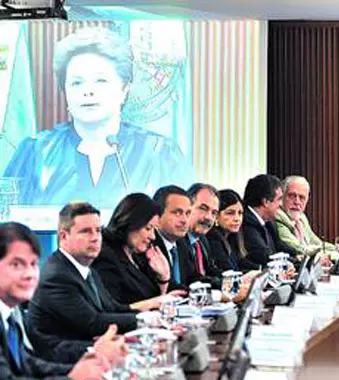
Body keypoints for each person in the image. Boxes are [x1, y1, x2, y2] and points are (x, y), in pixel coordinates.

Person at [2, 27, 194, 211]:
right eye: (77, 82)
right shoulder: (37, 151)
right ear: (65, 91)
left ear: (124, 89)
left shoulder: (159, 151)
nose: (88, 91)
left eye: (100, 81)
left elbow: (184, 218)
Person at [0, 222, 114, 380]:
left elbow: (27, 364)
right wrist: (71, 379)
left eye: (33, 264)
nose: (30, 274)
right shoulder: (57, 275)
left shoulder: (10, 312)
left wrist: (83, 369)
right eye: (17, 265)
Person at [27, 202, 142, 362]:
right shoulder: (57, 276)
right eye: (86, 232)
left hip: (90, 352)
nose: (95, 238)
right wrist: (145, 321)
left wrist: (152, 317)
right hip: (63, 362)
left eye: (98, 231)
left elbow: (113, 308)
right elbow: (93, 323)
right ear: (64, 236)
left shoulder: (88, 269)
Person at [92, 193, 180, 308]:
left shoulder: (140, 254)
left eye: (154, 229)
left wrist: (164, 277)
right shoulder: (104, 256)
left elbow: (166, 296)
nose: (153, 236)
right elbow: (114, 309)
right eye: (148, 228)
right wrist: (156, 301)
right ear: (131, 223)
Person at [274, 175, 338, 260]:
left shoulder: (301, 217)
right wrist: (333, 255)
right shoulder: (277, 217)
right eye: (292, 196)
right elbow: (299, 249)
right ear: (282, 197)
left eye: (302, 197)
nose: (297, 202)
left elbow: (316, 242)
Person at [242, 174, 295, 267]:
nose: (281, 204)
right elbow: (264, 255)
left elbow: (280, 246)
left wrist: (298, 257)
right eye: (279, 199)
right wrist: (292, 263)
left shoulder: (269, 222)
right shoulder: (246, 223)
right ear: (266, 202)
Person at [208, 189, 259, 272]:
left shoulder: (232, 237)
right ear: (216, 216)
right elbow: (228, 271)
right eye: (230, 213)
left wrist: (261, 270)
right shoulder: (213, 238)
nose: (237, 218)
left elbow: (241, 262)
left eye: (240, 213)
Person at [185, 183, 223, 284]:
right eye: (203, 208)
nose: (209, 217)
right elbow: (192, 280)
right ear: (187, 208)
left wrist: (237, 279)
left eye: (214, 213)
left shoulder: (202, 240)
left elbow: (211, 271)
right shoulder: (178, 241)